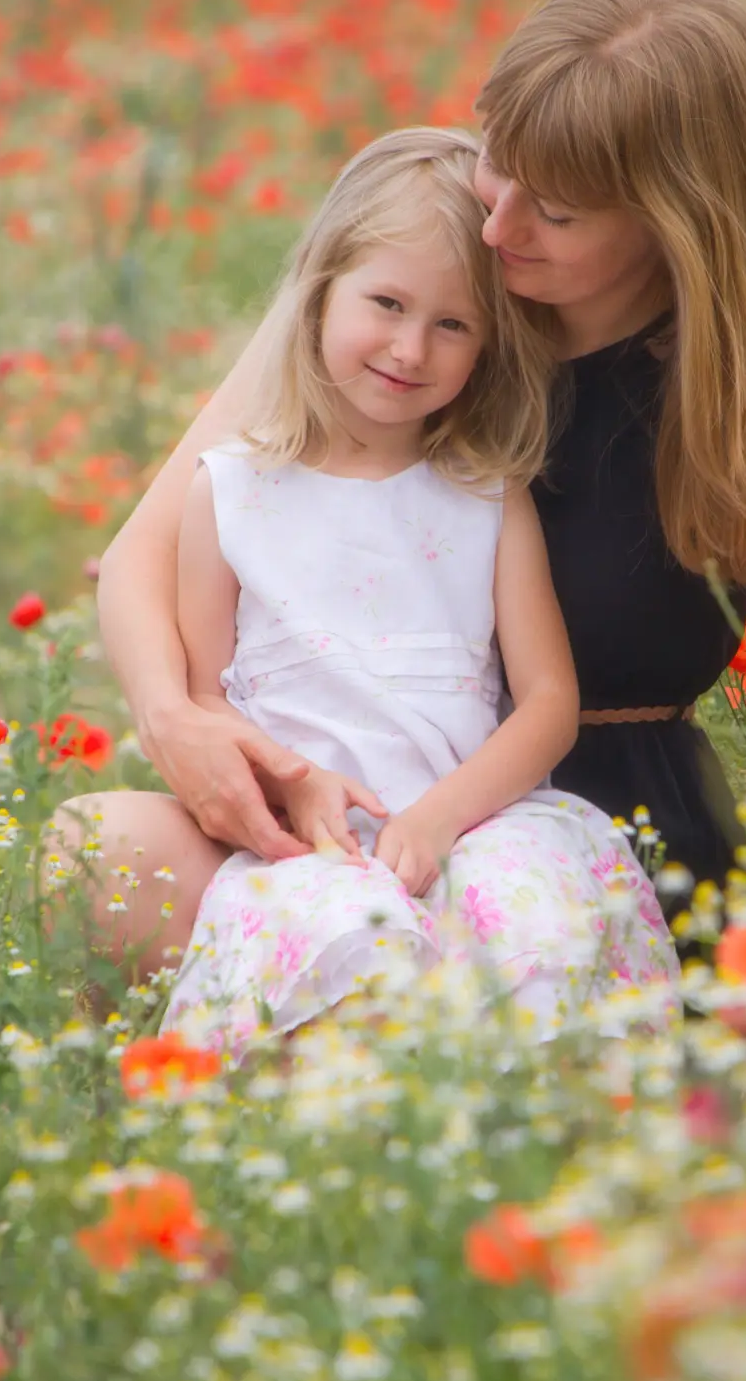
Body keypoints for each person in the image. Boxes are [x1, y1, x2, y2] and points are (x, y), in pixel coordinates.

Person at [67, 0, 746, 979]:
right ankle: (191, 1111)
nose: (498, 227)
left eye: (561, 214)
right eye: (502, 162)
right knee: (99, 855)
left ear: (676, 220)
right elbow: (147, 551)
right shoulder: (425, 290)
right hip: (346, 811)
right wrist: (178, 722)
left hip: (597, 831)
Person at [106, 126, 677, 1052]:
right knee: (344, 958)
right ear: (320, 288)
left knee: (531, 920)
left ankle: (542, 1150)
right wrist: (290, 794)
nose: (411, 348)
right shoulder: (232, 490)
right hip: (309, 841)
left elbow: (549, 703)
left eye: (453, 325)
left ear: (489, 346)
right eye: (387, 302)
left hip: (471, 821)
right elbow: (209, 697)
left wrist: (438, 819)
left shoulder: (485, 496)